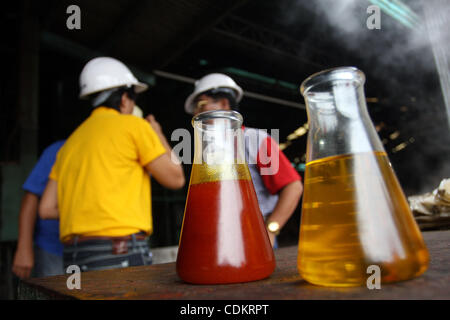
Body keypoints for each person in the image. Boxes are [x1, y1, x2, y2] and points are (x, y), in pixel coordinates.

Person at [39, 57, 185, 272]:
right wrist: (158, 133)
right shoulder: (134, 126)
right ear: (125, 99)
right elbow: (176, 178)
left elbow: (46, 209)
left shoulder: (69, 145)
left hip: (75, 255)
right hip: (120, 250)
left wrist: (89, 208)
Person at [184, 73, 303, 248]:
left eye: (201, 105)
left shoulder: (254, 139)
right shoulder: (207, 152)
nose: (196, 113)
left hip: (254, 236)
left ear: (224, 104)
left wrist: (271, 229)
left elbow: (293, 186)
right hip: (218, 238)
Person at [12, 140, 65, 279]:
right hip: (52, 248)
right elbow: (36, 201)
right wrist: (24, 247)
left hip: (93, 248)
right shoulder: (60, 150)